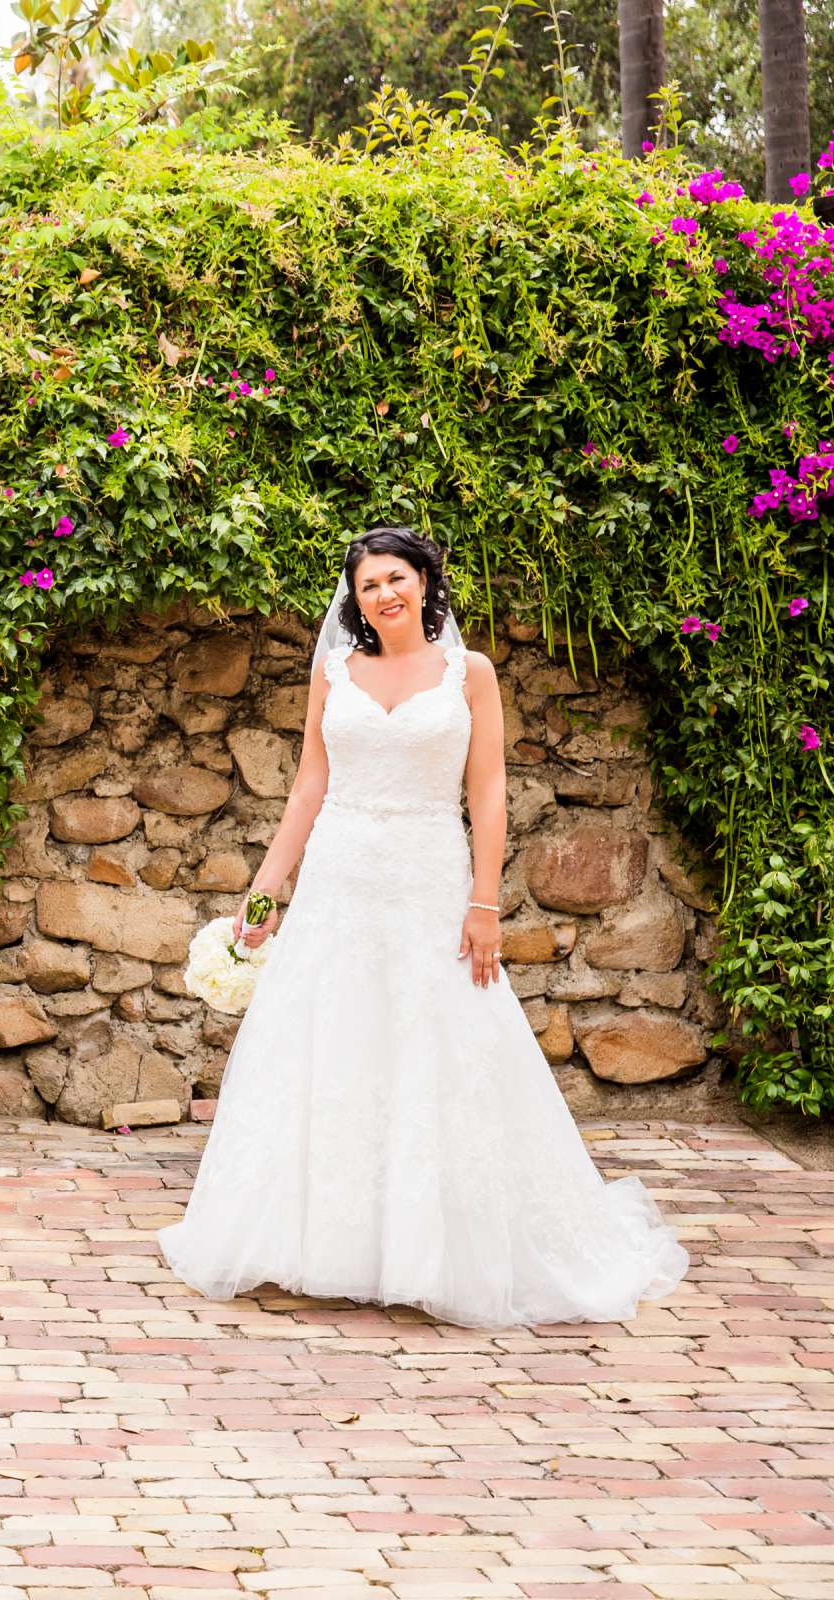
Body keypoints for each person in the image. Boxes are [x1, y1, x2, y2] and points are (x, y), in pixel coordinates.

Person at [156, 528, 689, 1328]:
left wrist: (483, 905)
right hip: (341, 877)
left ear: (427, 581)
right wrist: (265, 894)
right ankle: (323, 1246)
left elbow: (489, 794)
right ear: (354, 599)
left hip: (428, 879)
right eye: (367, 586)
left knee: (440, 1041)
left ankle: (435, 1250)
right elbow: (308, 787)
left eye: (395, 579)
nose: (382, 596)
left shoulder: (469, 674)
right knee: (329, 1045)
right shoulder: (335, 674)